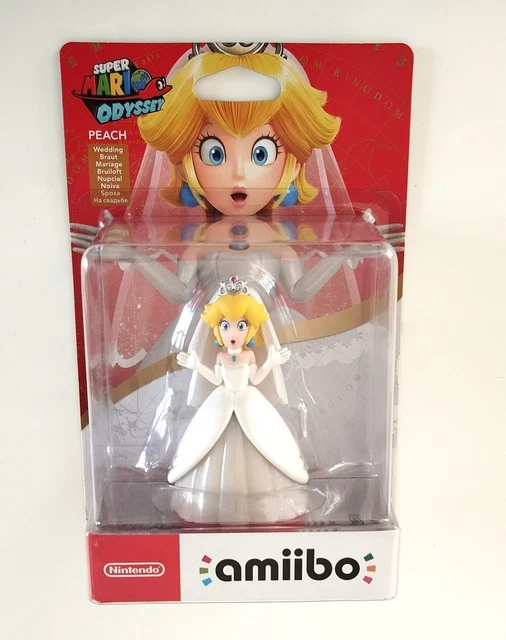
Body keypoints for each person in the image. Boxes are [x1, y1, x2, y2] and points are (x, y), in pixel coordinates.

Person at [168, 276, 309, 524]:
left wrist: (272, 362)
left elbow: (257, 377)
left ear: (250, 329)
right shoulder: (221, 358)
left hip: (250, 403)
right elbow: (215, 378)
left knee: (266, 442)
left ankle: (267, 502)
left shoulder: (249, 357)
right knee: (205, 442)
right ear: (217, 329)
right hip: (220, 403)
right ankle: (206, 503)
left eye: (240, 325)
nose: (232, 333)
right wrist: (196, 366)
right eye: (225, 325)